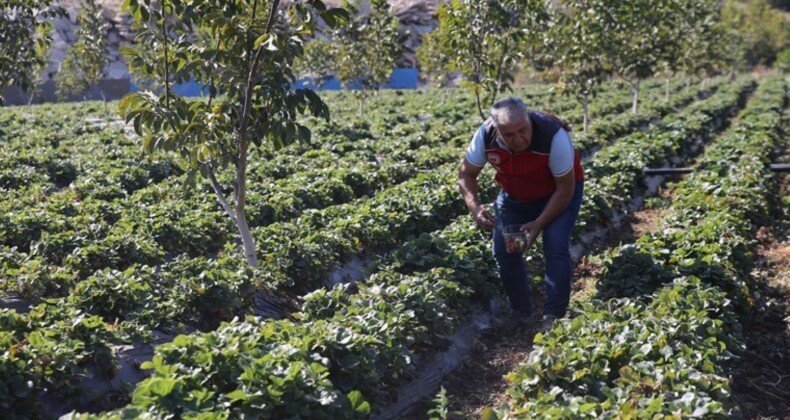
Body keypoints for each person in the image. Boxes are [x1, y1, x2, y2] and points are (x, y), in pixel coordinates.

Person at [458, 96, 584, 331]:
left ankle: (553, 316)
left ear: (528, 119)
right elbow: (466, 174)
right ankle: (521, 312)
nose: (519, 139)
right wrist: (474, 207)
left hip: (557, 194)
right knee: (508, 250)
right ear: (497, 130)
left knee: (554, 246)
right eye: (509, 135)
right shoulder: (485, 136)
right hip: (515, 197)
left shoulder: (553, 137)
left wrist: (539, 223)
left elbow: (565, 189)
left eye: (522, 130)